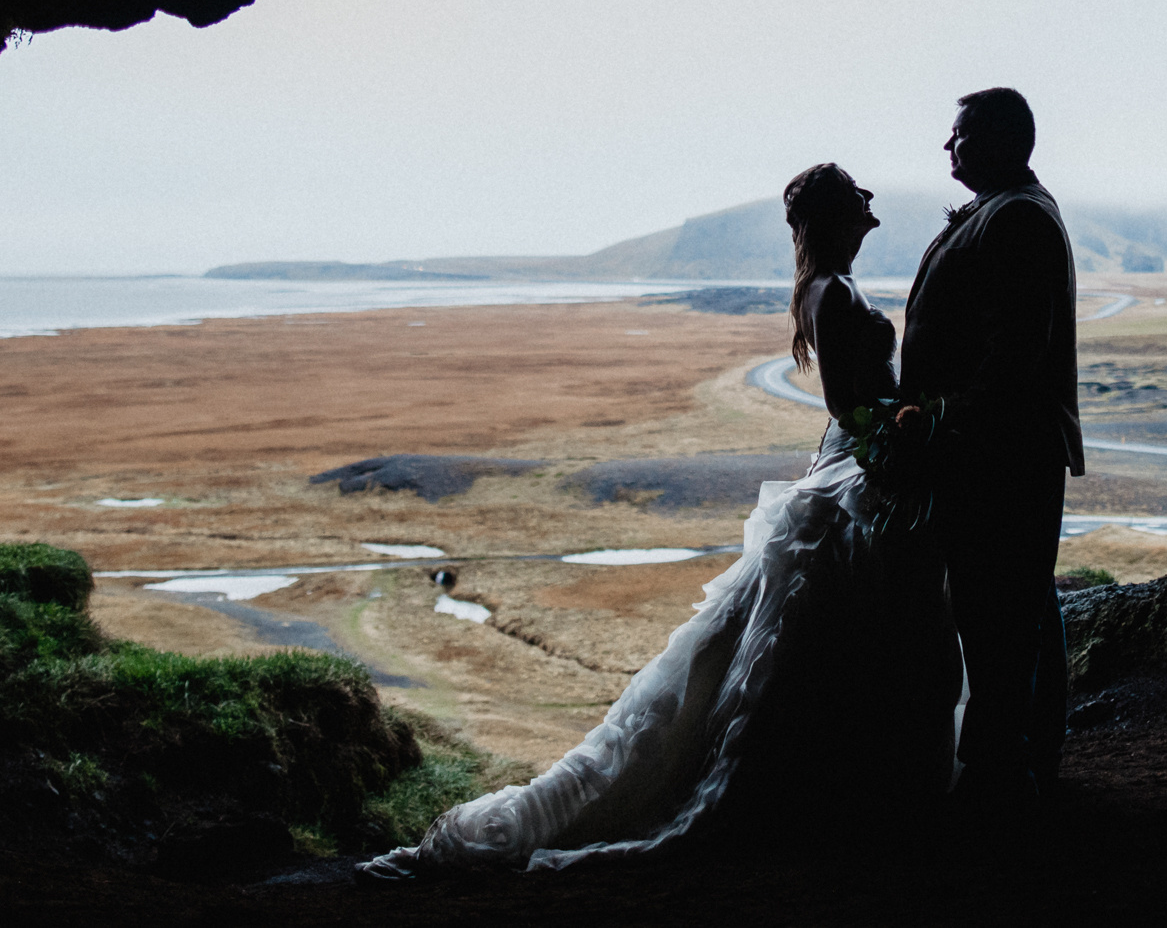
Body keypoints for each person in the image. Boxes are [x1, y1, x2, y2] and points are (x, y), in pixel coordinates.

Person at [356, 163, 957, 878]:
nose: (872, 205)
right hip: (855, 471)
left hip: (860, 470)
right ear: (835, 214)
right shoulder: (831, 291)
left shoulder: (836, 286)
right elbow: (842, 406)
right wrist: (898, 432)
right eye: (859, 196)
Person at [893, 87, 1081, 810]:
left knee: (1002, 616)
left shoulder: (1020, 218)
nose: (949, 147)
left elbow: (1012, 358)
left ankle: (1006, 780)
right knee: (1021, 607)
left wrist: (939, 422)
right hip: (992, 448)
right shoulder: (1003, 208)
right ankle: (1026, 761)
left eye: (961, 135)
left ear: (1004, 140)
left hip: (1001, 455)